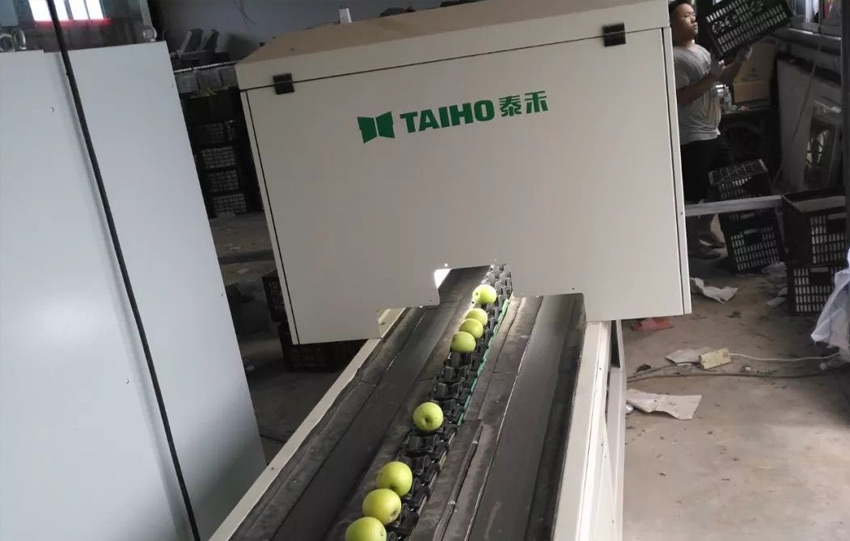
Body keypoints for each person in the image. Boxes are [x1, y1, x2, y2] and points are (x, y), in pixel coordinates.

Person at [669, 0, 750, 259]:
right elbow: (682, 97)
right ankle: (692, 244)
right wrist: (713, 75)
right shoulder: (673, 57)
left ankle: (705, 227)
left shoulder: (702, 50)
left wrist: (740, 60)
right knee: (694, 194)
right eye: (686, 16)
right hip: (692, 136)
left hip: (713, 129)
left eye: (693, 14)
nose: (693, 19)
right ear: (671, 24)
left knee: (725, 183)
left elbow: (725, 77)